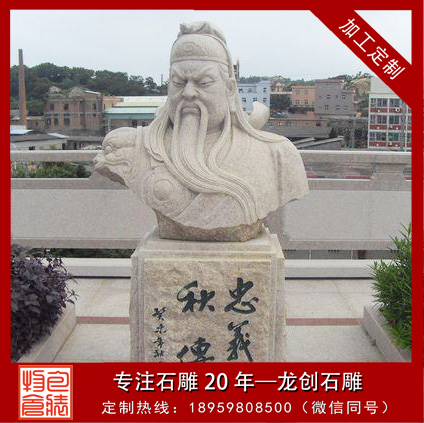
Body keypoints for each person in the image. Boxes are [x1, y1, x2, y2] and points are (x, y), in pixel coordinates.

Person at [94, 21, 308, 241]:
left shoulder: (278, 154)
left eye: (203, 82)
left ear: (229, 89)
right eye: (178, 82)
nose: (188, 93)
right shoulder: (136, 148)